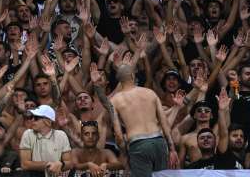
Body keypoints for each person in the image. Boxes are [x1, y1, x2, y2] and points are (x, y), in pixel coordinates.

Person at [92, 37, 178, 177]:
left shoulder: (116, 100)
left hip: (138, 144)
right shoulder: (150, 93)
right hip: (159, 142)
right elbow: (165, 123)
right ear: (133, 76)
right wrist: (172, 149)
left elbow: (119, 135)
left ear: (119, 80)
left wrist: (125, 155)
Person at [19, 104, 72, 175]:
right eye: (32, 117)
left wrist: (61, 164)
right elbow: (25, 164)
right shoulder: (28, 134)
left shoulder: (61, 135)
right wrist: (48, 164)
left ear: (48, 121)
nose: (32, 120)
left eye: (36, 118)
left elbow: (69, 162)